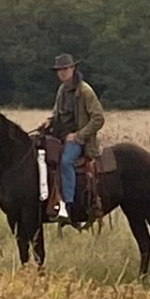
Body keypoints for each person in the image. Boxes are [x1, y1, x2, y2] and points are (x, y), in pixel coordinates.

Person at [44, 53, 104, 221]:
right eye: (59, 70)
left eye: (65, 69)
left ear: (73, 68)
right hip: (61, 134)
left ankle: (67, 203)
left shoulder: (85, 91)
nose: (62, 72)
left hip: (80, 140)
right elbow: (57, 114)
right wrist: (49, 121)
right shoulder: (62, 90)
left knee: (65, 161)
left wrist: (78, 135)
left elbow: (99, 118)